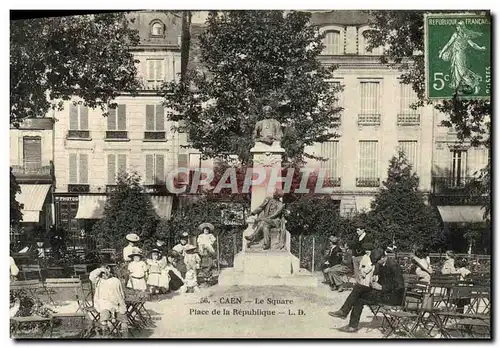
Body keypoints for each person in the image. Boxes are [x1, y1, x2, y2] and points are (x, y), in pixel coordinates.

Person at [329, 249, 405, 333]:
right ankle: (347, 318)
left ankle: (345, 314)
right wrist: (374, 279)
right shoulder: (380, 263)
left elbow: (400, 286)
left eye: (376, 261)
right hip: (383, 293)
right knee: (358, 288)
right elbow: (378, 274)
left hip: (393, 297)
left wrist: (382, 287)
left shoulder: (394, 266)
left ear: (383, 257)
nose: (376, 264)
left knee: (359, 297)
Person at [89, 265, 127, 335]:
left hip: (116, 304)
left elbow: (121, 293)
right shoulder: (98, 280)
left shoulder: (116, 280)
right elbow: (92, 275)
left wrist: (121, 302)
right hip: (104, 304)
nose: (105, 275)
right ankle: (105, 336)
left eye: (107, 272)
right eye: (103, 273)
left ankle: (125, 338)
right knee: (104, 317)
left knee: (123, 318)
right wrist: (101, 269)